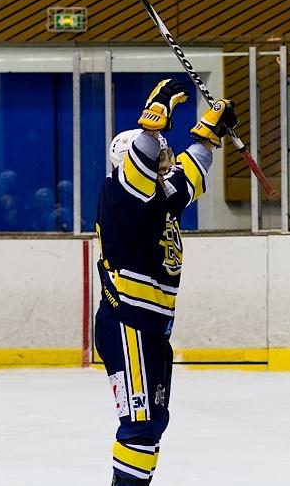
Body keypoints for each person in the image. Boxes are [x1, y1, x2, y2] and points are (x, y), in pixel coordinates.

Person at [95, 79, 237, 486]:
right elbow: (141, 160)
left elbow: (188, 173)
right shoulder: (122, 193)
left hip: (152, 328)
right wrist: (154, 119)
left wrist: (207, 135)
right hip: (129, 324)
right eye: (159, 157)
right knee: (141, 424)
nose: (166, 162)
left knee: (152, 422)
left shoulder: (156, 194)